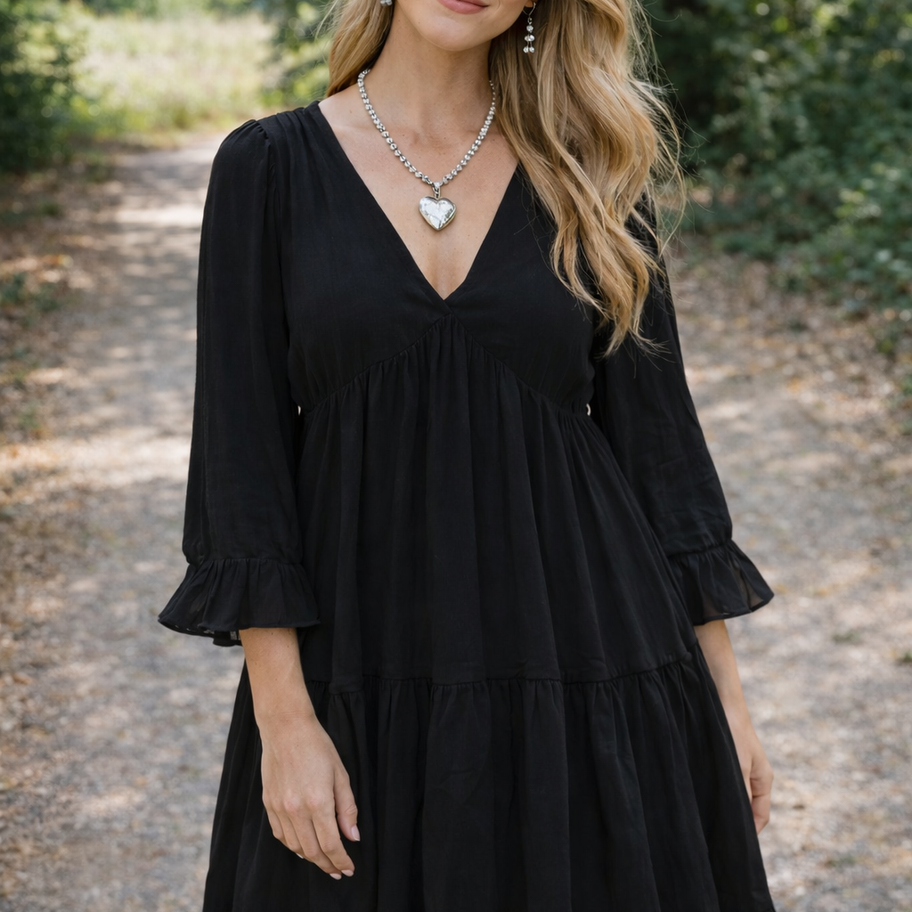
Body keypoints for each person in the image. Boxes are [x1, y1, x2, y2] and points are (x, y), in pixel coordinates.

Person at [159, 0, 778, 907]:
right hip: (362, 666)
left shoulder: (591, 169)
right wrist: (285, 720)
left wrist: (727, 696)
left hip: (590, 662)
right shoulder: (269, 167)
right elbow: (239, 461)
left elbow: (661, 453)